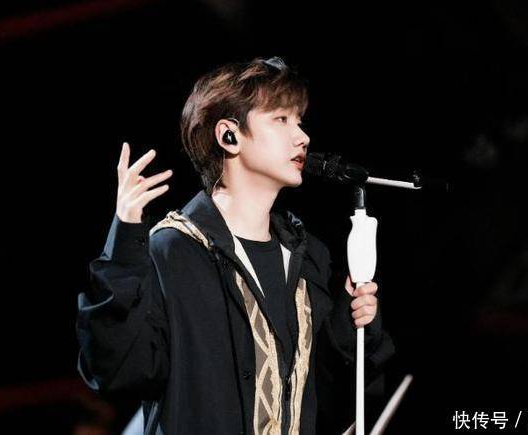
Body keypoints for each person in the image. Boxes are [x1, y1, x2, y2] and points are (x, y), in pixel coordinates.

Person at [76, 56, 394, 435]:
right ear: (229, 135)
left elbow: (326, 401)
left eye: (299, 121)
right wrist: (124, 243)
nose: (302, 136)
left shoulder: (308, 257)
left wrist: (351, 325)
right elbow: (117, 371)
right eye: (281, 119)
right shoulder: (174, 250)